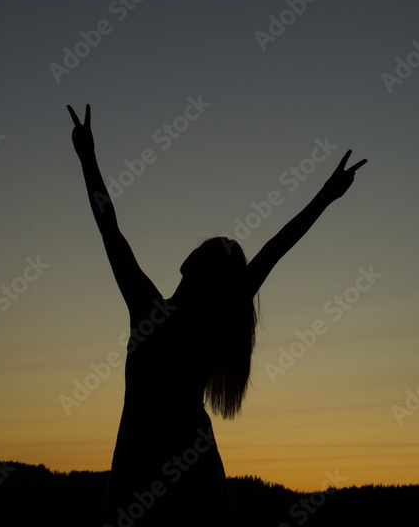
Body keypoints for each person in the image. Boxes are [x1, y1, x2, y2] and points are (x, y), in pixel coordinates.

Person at [67, 103, 367, 526]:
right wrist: (87, 157)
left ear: (206, 271)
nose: (208, 245)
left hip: (169, 463)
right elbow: (109, 228)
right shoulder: (154, 307)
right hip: (152, 459)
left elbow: (275, 249)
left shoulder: (174, 313)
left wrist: (325, 196)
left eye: (216, 249)